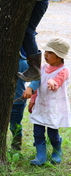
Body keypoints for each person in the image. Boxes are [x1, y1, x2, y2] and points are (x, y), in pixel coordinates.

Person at [28, 37, 71, 166]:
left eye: (50, 52)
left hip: (54, 108)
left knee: (52, 132)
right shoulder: (42, 68)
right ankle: (40, 154)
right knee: (38, 131)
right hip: (41, 106)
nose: (45, 54)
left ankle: (57, 149)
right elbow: (37, 86)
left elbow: (57, 81)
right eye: (46, 51)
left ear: (59, 56)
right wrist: (32, 100)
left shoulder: (63, 70)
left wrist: (53, 82)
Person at [10, 49, 40, 151]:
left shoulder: (22, 63)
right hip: (0, 103)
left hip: (17, 102)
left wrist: (30, 88)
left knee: (15, 126)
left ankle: (16, 148)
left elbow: (38, 77)